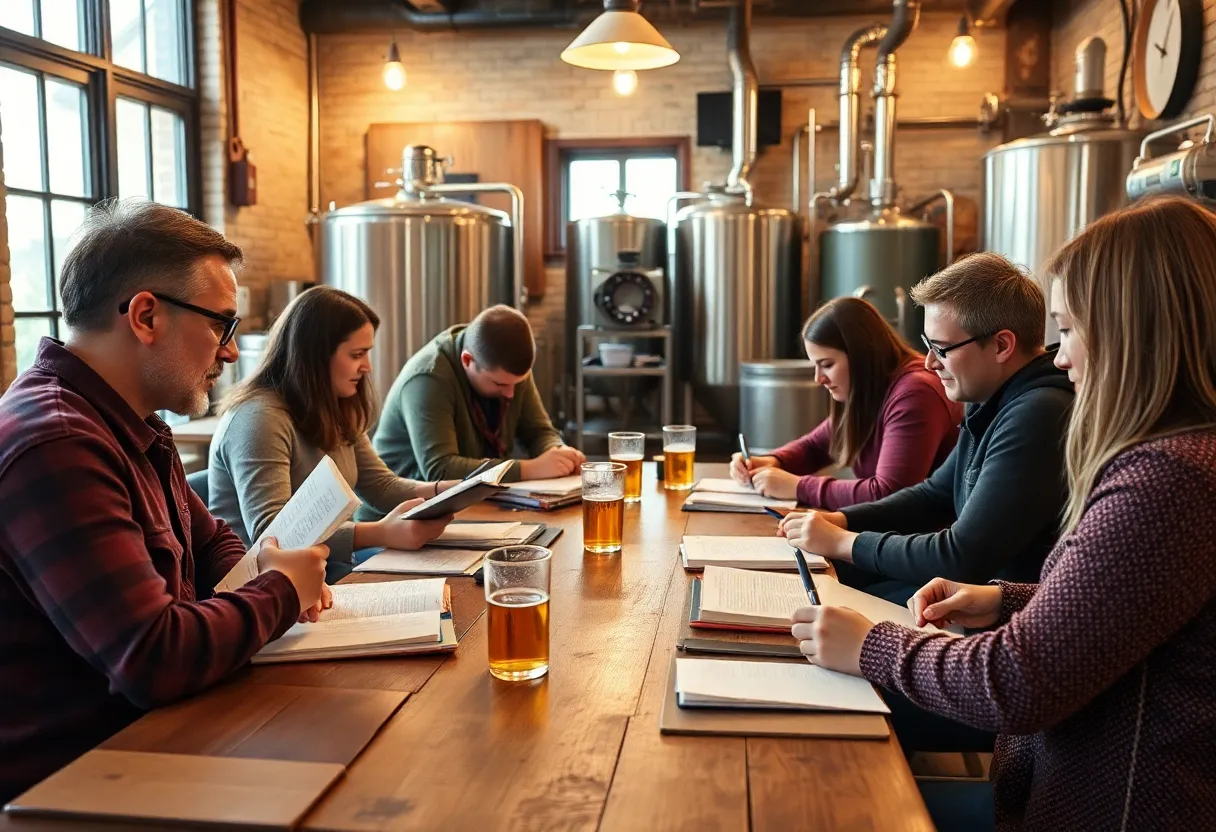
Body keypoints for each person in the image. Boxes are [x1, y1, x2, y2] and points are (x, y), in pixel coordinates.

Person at [789, 195, 1216, 831]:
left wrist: (872, 645)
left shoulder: (1166, 479)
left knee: (819, 767)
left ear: (1132, 328)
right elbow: (1135, 610)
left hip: (1095, 808)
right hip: (1054, 786)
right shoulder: (1179, 460)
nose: (1062, 358)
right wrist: (1007, 601)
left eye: (1068, 330)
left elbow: (1017, 682)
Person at [0, 200, 329, 802]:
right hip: (80, 786)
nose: (231, 352)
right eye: (222, 325)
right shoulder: (57, 443)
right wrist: (281, 590)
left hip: (159, 742)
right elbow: (152, 658)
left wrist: (270, 567)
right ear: (146, 316)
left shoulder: (130, 421)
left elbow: (213, 550)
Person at [780, 253, 1074, 605]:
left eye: (942, 349)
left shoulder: (1037, 413)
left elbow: (961, 556)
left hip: (996, 616)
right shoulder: (988, 395)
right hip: (961, 592)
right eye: (927, 344)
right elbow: (933, 495)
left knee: (819, 603)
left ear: (1001, 345)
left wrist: (842, 542)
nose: (930, 361)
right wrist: (841, 519)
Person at [208, 286, 455, 582]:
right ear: (315, 355)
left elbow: (381, 486)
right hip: (262, 590)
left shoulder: (332, 406)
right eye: (357, 354)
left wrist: (456, 490)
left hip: (324, 569)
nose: (367, 367)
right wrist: (381, 532)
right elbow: (274, 537)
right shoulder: (258, 418)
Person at [730, 297, 962, 507]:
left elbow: (888, 494)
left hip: (920, 543)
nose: (818, 379)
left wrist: (798, 486)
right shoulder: (868, 387)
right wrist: (771, 461)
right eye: (815, 365)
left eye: (827, 365)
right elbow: (816, 446)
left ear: (861, 356)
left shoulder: (915, 392)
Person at [370, 304, 584, 486]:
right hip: (400, 515)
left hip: (472, 503)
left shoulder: (507, 371)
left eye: (517, 383)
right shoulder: (428, 378)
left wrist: (558, 453)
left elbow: (537, 430)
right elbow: (441, 471)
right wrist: (531, 469)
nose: (511, 393)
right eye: (500, 384)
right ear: (467, 360)